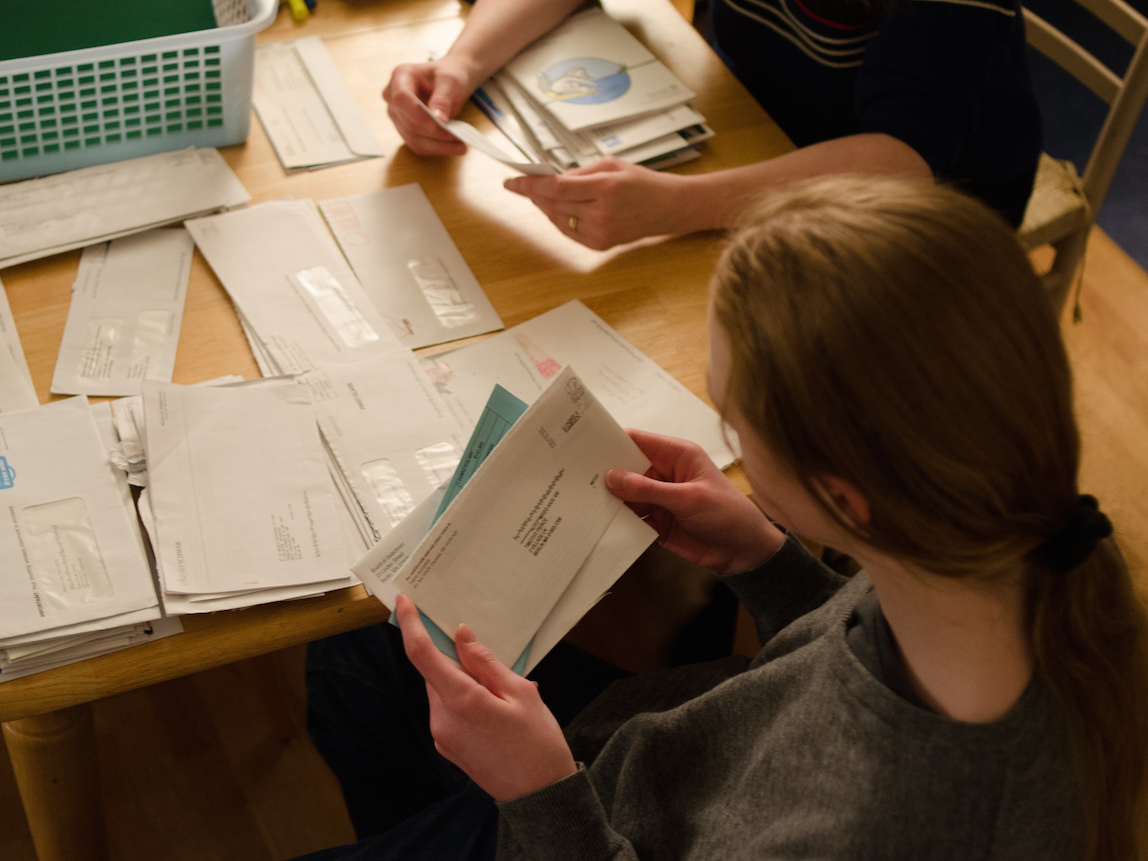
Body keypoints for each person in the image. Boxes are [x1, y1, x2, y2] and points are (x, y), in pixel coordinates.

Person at [299, 175, 1148, 861]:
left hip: (581, 817)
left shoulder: (882, 825)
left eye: (732, 421)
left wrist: (537, 797)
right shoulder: (995, 553)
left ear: (845, 499)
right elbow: (848, 670)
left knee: (369, 677)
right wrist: (768, 562)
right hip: (633, 767)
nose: (725, 435)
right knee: (360, 655)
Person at [382, 0, 1042, 251]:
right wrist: (461, 64)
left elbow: (902, 159)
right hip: (761, 128)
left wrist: (678, 206)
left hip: (927, 216)